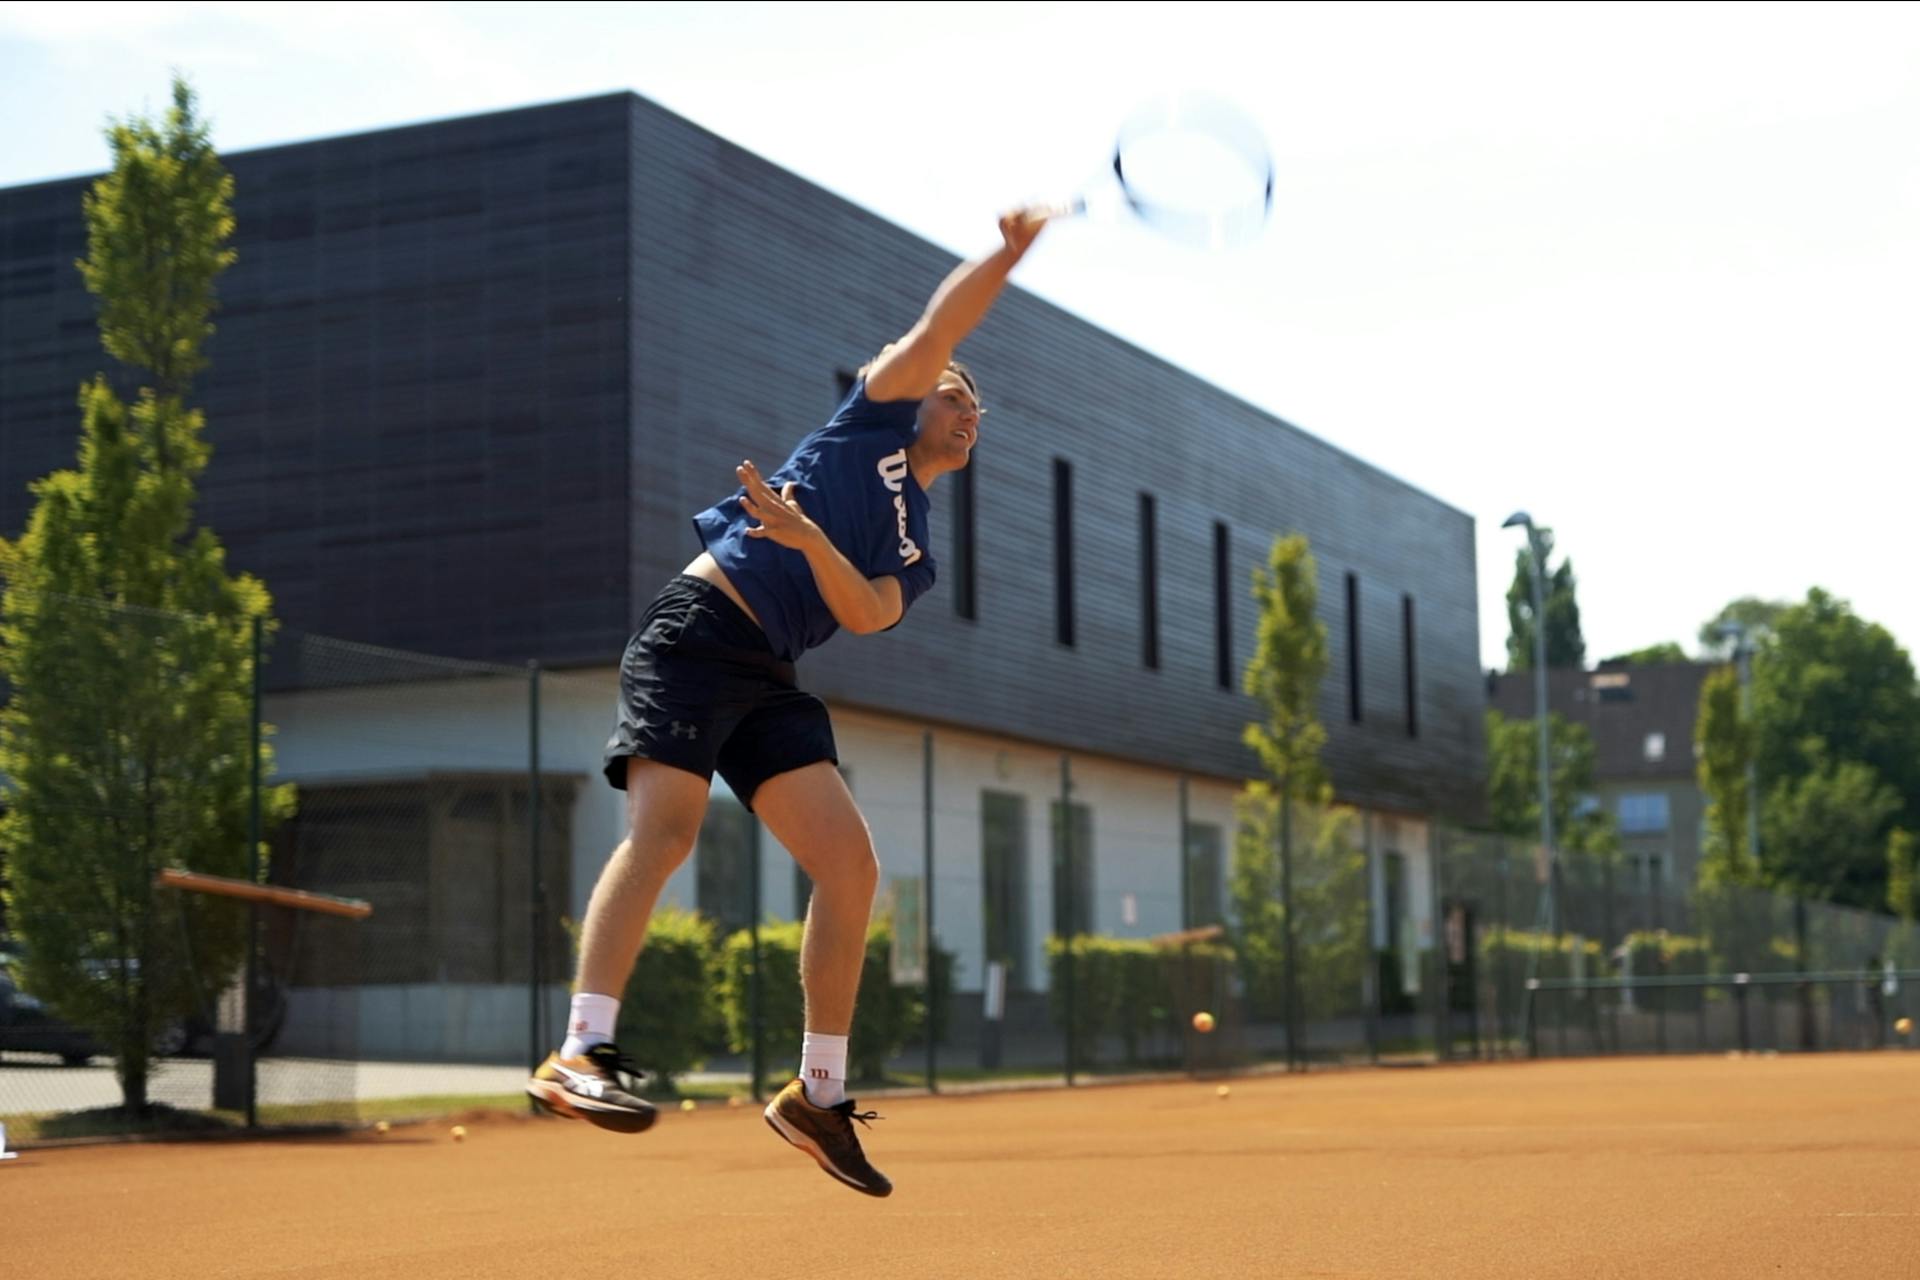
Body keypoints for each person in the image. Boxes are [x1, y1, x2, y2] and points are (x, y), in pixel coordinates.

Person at [526, 207, 1052, 1197]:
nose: (967, 408)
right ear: (910, 398)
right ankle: (579, 1050)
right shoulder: (871, 421)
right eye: (954, 396)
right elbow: (941, 329)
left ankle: (817, 1093)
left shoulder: (917, 541)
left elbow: (864, 613)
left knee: (850, 863)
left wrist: (810, 540)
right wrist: (1009, 257)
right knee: (668, 832)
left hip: (769, 669)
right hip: (698, 632)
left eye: (978, 407)